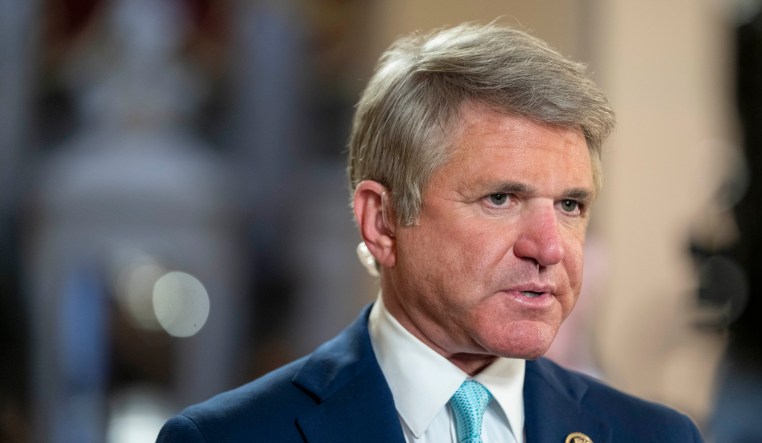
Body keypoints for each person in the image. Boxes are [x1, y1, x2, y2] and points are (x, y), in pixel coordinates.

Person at [157, 22, 704, 442]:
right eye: (501, 198)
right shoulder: (228, 437)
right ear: (382, 221)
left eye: (570, 204)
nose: (550, 247)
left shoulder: (655, 436)